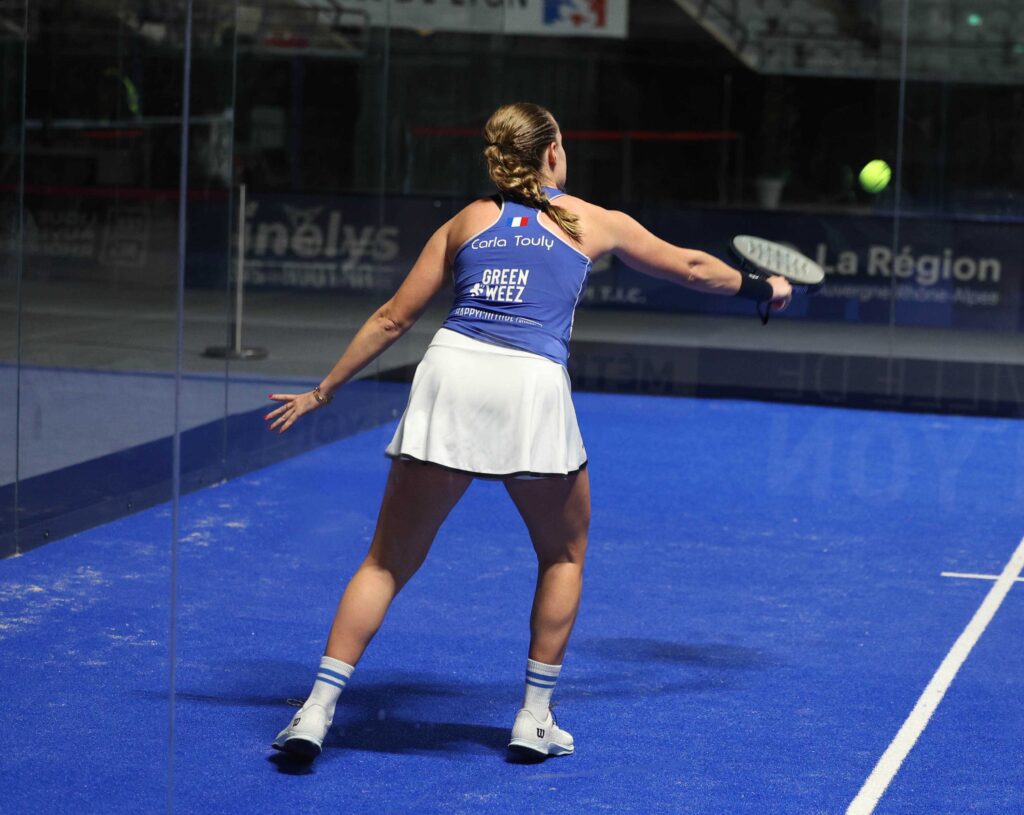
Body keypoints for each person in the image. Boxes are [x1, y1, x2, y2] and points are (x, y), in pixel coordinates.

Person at [266, 102, 791, 760]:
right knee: (563, 555)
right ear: (551, 154)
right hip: (530, 384)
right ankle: (533, 718)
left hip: (451, 373)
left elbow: (394, 318)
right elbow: (691, 267)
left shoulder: (465, 221)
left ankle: (315, 712)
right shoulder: (592, 220)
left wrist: (323, 390)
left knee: (385, 562)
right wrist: (762, 288)